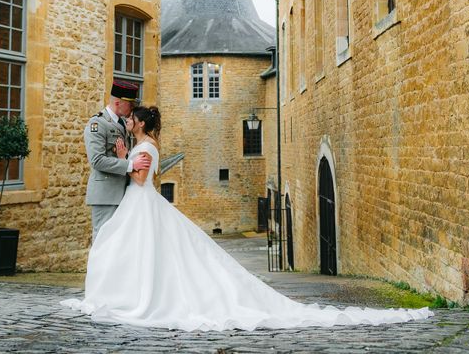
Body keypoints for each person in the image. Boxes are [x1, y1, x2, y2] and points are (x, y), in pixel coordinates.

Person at [63, 106, 433, 331]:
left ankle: (132, 297)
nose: (127, 123)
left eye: (132, 121)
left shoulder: (142, 147)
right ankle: (129, 293)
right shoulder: (151, 144)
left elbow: (141, 179)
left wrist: (127, 159)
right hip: (143, 207)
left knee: (137, 252)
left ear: (140, 125)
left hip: (141, 203)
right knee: (144, 253)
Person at [83, 80, 150, 242]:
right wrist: (131, 165)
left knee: (116, 243)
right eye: (130, 104)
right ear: (118, 102)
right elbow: (97, 160)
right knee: (102, 240)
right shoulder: (98, 123)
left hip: (122, 193)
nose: (132, 108)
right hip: (105, 194)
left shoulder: (121, 123)